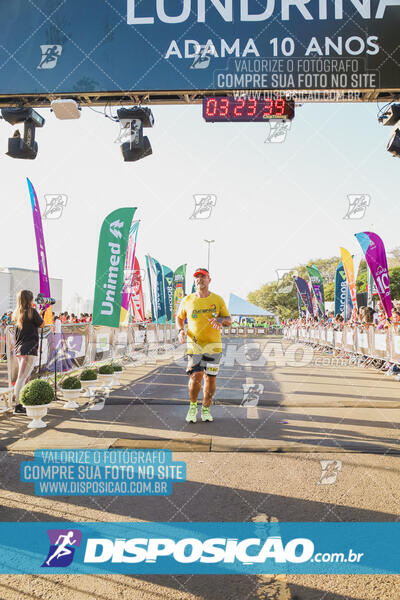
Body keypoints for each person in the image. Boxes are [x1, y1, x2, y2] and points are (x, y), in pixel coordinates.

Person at [176, 268, 231, 423]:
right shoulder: (187, 300)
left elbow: (228, 319)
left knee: (210, 379)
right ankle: (193, 407)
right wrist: (181, 330)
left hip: (214, 347)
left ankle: (206, 408)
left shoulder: (218, 300)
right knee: (195, 376)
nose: (199, 279)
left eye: (203, 276)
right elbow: (179, 318)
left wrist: (221, 320)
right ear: (194, 281)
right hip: (195, 346)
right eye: (197, 277)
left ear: (209, 280)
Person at [11, 290, 44, 414]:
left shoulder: (16, 313)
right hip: (29, 349)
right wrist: (39, 314)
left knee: (23, 377)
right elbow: (42, 324)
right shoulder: (31, 312)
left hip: (20, 349)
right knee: (23, 377)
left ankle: (20, 403)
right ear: (29, 300)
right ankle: (17, 405)